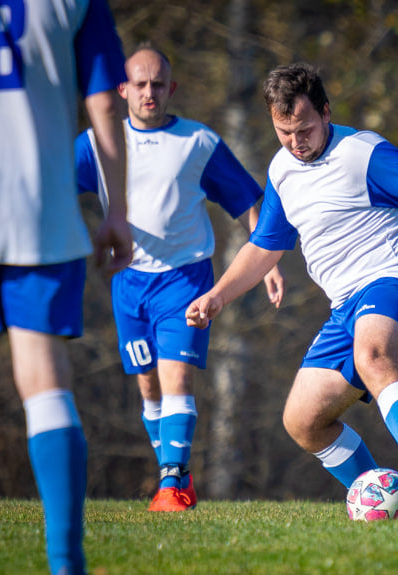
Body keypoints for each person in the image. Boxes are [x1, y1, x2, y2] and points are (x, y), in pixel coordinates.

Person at [185, 63, 398, 509]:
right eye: (283, 132)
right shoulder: (282, 169)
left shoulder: (363, 153)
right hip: (346, 306)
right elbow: (264, 247)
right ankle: (383, 500)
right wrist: (218, 295)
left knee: (374, 354)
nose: (295, 142)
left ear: (326, 112)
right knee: (303, 421)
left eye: (304, 128)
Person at [75, 43, 285, 512]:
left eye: (158, 84)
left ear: (172, 89)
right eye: (140, 84)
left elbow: (248, 203)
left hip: (185, 280)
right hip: (129, 284)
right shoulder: (97, 143)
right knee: (148, 386)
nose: (149, 92)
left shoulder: (198, 142)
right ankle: (174, 473)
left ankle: (172, 485)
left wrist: (268, 262)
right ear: (122, 89)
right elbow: (56, 187)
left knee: (176, 380)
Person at [0, 1, 131, 573]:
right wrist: (116, 208)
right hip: (38, 203)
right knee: (44, 381)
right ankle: (66, 564)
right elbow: (104, 102)